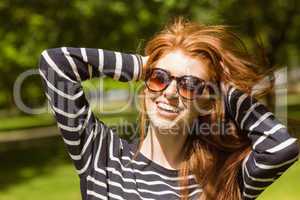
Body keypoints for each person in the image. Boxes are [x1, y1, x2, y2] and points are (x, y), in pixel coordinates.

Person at [38, 18, 299, 200]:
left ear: (207, 101)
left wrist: (223, 87)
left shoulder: (223, 178)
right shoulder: (101, 155)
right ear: (145, 86)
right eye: (159, 79)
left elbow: (281, 148)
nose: (170, 92)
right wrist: (144, 66)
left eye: (189, 85)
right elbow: (55, 64)